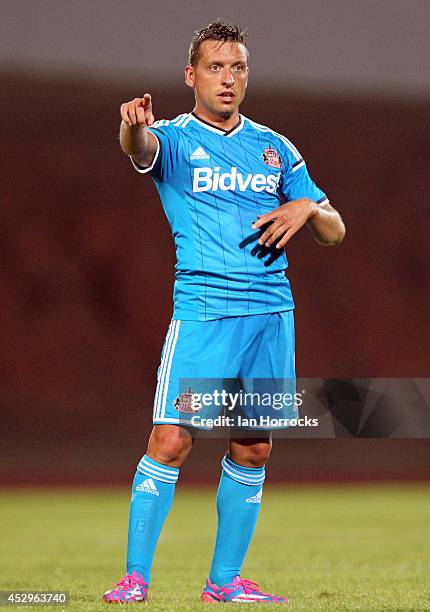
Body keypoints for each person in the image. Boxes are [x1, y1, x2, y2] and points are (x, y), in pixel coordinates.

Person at [102, 20, 345, 605]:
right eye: (215, 67)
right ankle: (135, 577)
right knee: (171, 439)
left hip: (270, 316)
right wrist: (130, 129)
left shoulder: (275, 147)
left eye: (237, 67)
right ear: (192, 76)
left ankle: (224, 584)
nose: (228, 78)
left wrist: (308, 207)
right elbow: (141, 150)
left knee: (254, 446)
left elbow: (336, 233)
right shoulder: (177, 140)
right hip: (205, 314)